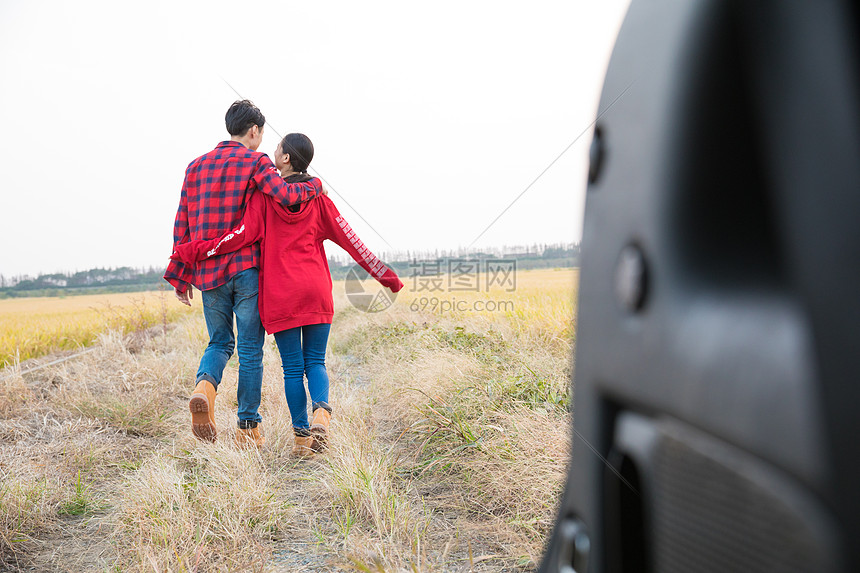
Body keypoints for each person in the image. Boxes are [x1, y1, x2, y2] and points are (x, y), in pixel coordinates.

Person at [171, 133, 403, 457]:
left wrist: (197, 251)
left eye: (277, 148)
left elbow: (240, 236)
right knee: (316, 362)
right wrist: (386, 276)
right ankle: (322, 413)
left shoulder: (264, 200)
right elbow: (353, 241)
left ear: (284, 160)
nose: (272, 150)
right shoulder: (320, 199)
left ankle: (301, 441)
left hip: (281, 296)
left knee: (293, 369)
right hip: (315, 291)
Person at [164, 101, 325, 448]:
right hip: (246, 269)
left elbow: (183, 224)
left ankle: (204, 387)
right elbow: (284, 194)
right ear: (254, 131)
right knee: (251, 350)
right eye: (262, 133)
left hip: (209, 274)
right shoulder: (257, 162)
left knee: (219, 342)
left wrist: (180, 274)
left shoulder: (195, 167)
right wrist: (315, 187)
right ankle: (247, 429)